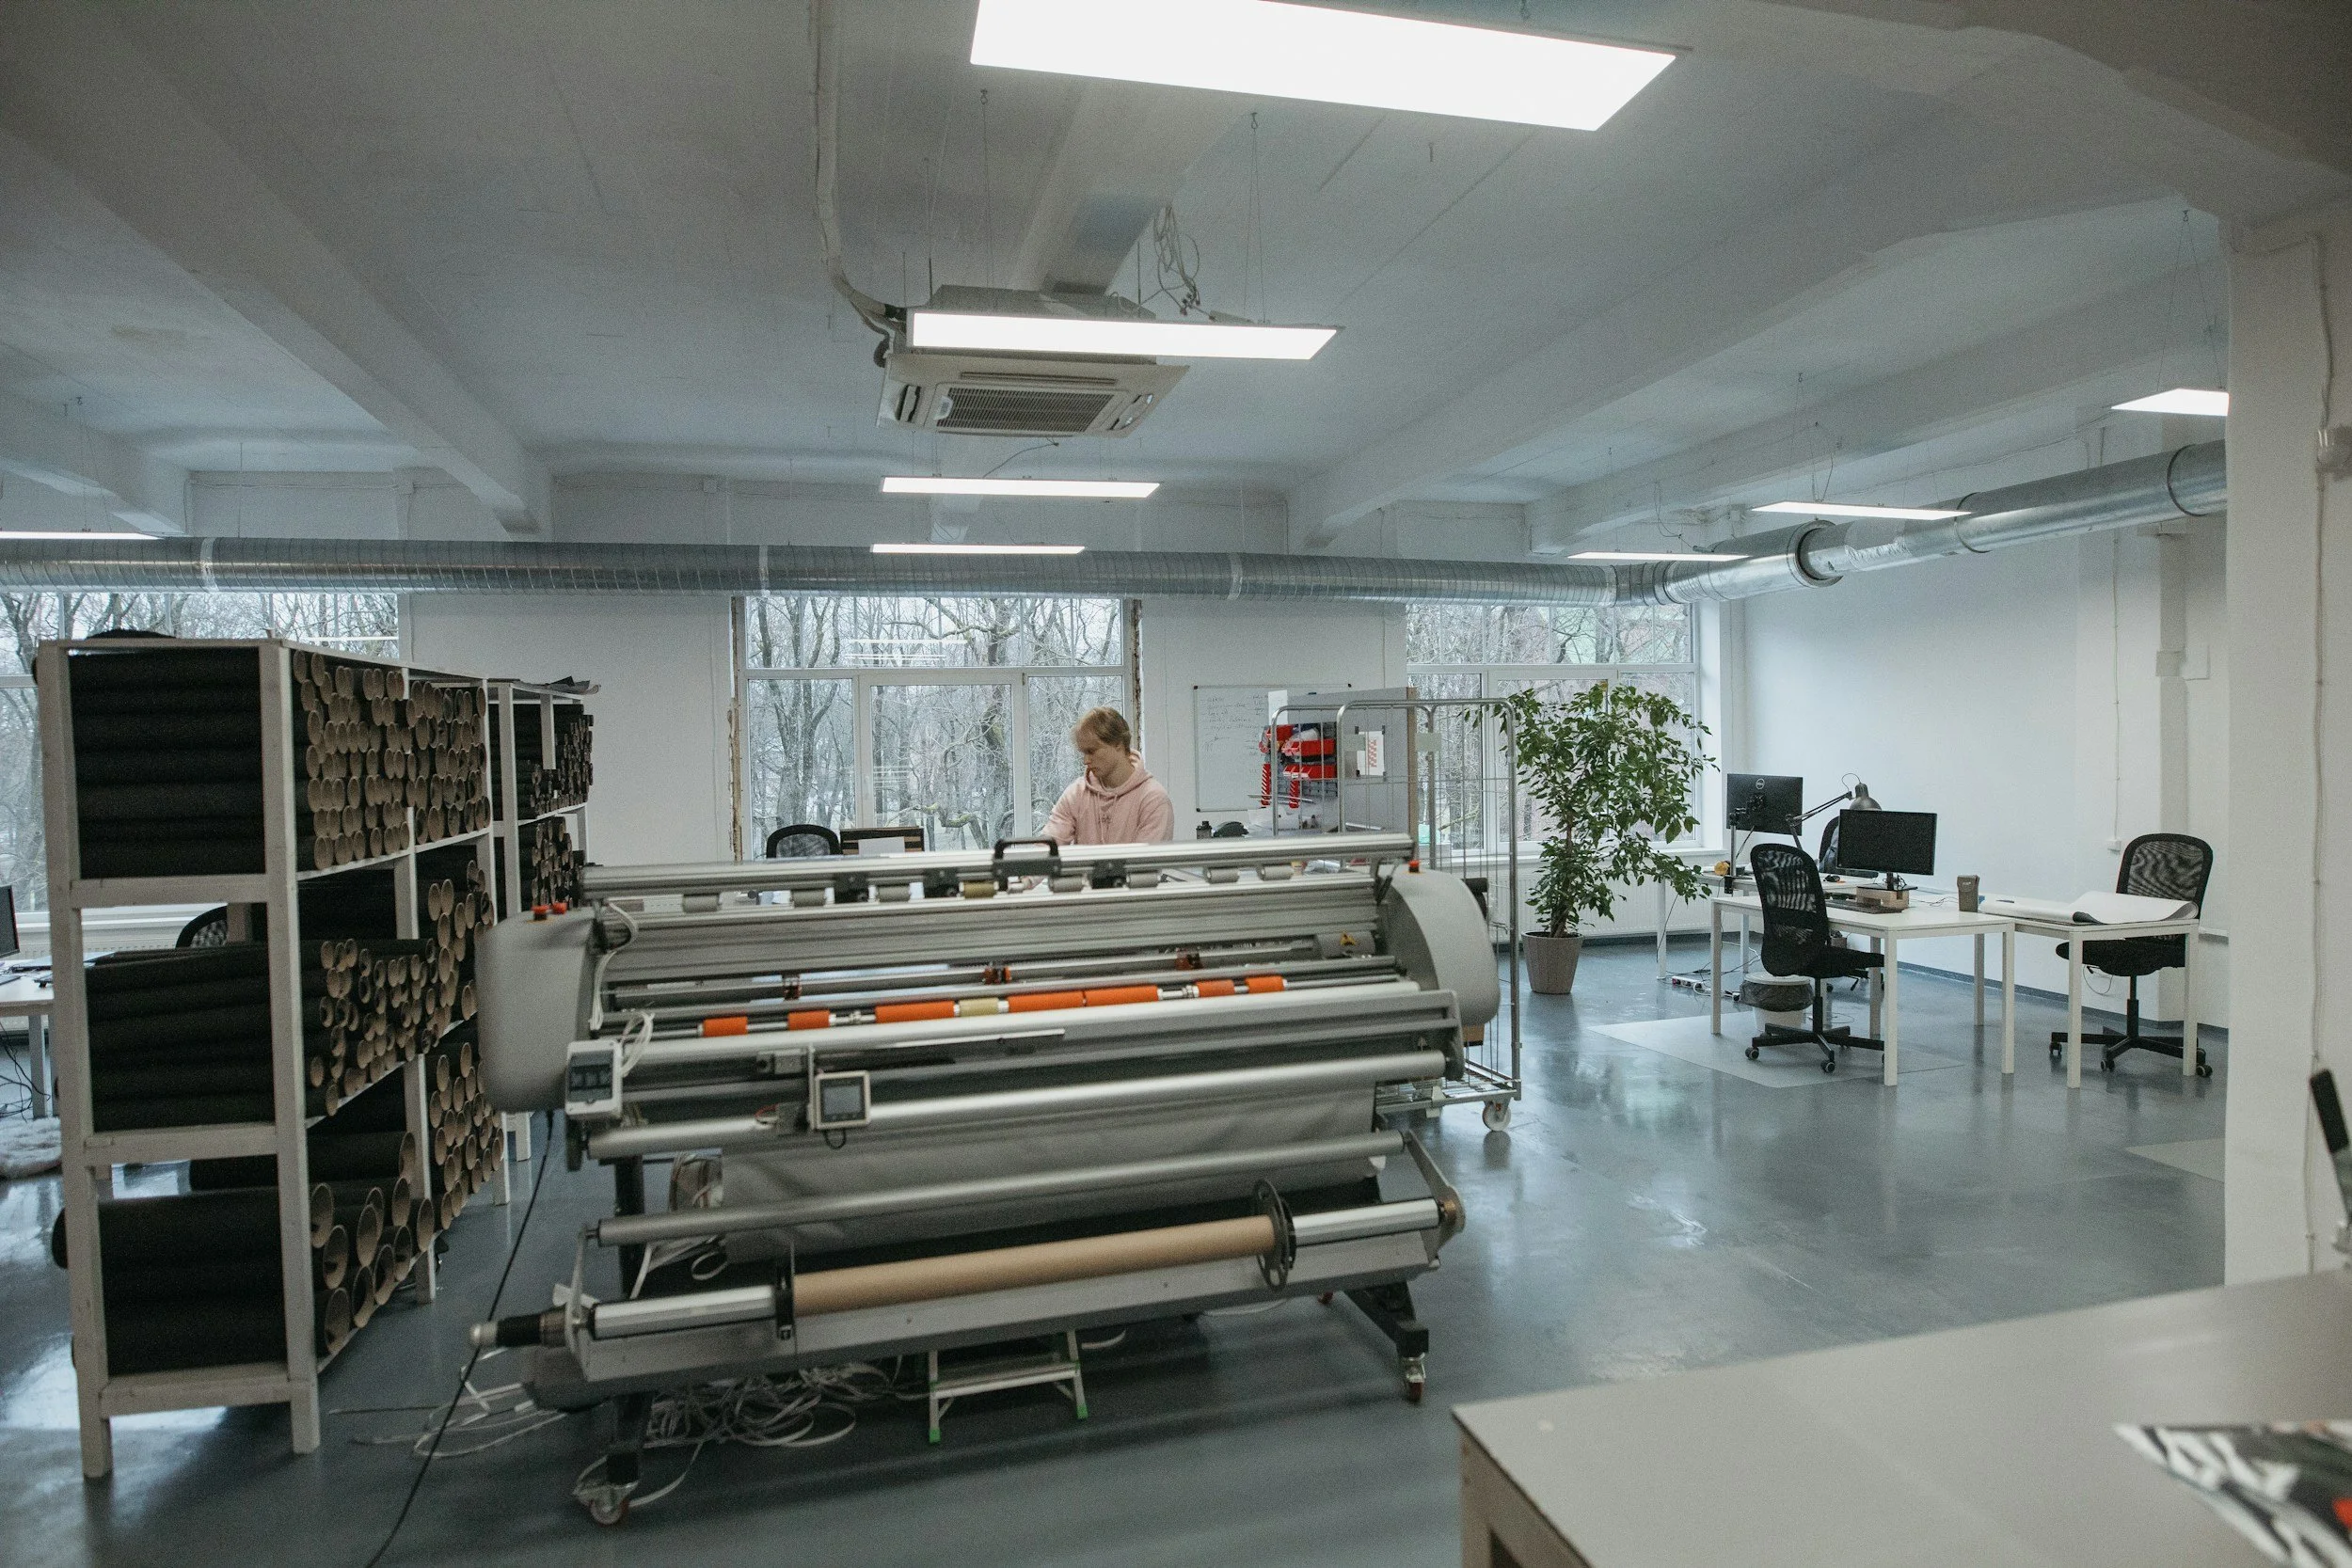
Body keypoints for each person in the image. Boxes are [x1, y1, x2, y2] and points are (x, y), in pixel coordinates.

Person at [1044, 706, 1174, 846]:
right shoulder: (1076, 794)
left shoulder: (1153, 799)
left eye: (1092, 751)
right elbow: (1045, 850)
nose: (1085, 761)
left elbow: (1145, 859)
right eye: (1084, 753)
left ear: (1118, 744)